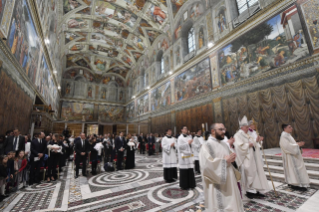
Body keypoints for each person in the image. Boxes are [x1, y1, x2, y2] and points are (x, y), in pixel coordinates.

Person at [199, 123, 244, 212]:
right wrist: (224, 161)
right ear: (213, 131)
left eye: (224, 129)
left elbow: (228, 158)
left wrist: (232, 158)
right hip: (217, 182)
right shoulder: (207, 145)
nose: (224, 131)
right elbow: (205, 166)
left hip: (230, 179)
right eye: (221, 129)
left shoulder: (223, 144)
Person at [234, 116, 270, 199]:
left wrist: (257, 140)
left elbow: (253, 143)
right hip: (246, 159)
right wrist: (248, 145)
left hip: (253, 157)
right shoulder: (238, 135)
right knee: (249, 174)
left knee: (256, 173)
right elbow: (238, 146)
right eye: (247, 127)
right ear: (242, 127)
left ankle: (257, 190)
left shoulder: (246, 135)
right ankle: (249, 191)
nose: (248, 128)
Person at [279, 124, 310, 191]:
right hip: (290, 156)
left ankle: (297, 183)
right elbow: (286, 146)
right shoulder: (284, 136)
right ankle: (295, 184)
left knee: (296, 169)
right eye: (289, 127)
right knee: (293, 169)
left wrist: (297, 144)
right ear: (285, 128)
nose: (291, 128)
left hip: (294, 155)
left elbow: (292, 144)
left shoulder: (288, 135)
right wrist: (297, 144)